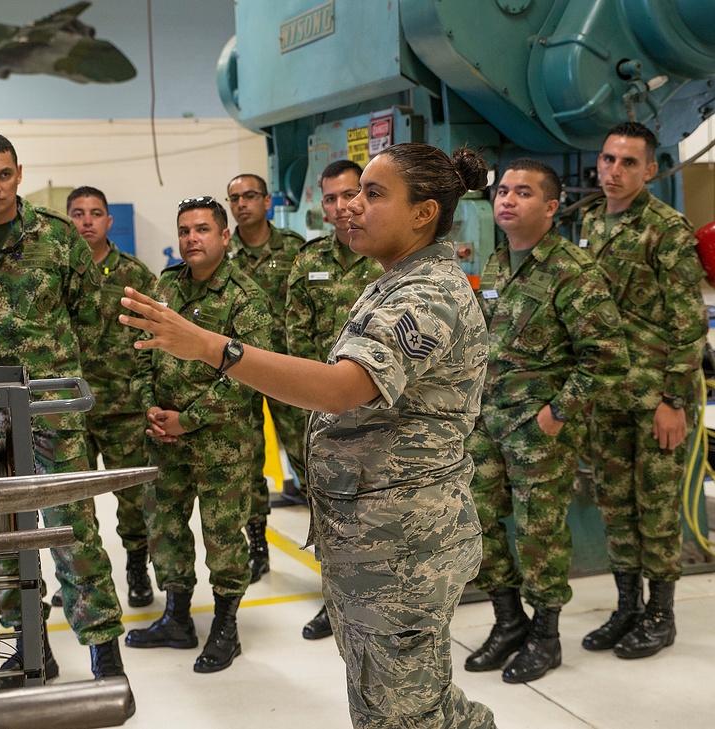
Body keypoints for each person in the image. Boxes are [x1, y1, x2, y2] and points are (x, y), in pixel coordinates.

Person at [121, 145, 496, 728]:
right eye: (350, 194)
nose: (351, 207)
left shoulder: (427, 295)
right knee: (395, 698)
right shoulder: (391, 280)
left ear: (424, 213)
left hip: (403, 544)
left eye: (372, 194)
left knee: (406, 711)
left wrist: (209, 346)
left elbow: (339, 389)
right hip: (372, 534)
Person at [0, 133, 129, 687]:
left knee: (74, 530)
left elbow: (90, 317)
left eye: (4, 175)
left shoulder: (58, 238)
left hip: (51, 410)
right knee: (2, 537)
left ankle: (104, 650)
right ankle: (28, 648)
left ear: (19, 173)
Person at [464, 159, 629, 683]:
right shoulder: (494, 265)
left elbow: (607, 356)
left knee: (539, 535)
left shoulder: (573, 273)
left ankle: (546, 634)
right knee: (479, 522)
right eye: (503, 191)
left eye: (524, 193)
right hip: (488, 423)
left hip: (538, 433)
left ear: (552, 207)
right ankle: (508, 620)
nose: (508, 200)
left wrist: (556, 415)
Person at [124, 196, 272, 674]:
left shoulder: (245, 298)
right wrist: (149, 404)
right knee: (165, 529)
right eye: (185, 230)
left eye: (203, 229)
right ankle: (177, 617)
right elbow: (142, 351)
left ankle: (226, 627)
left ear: (224, 237)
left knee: (223, 534)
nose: (192, 238)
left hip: (220, 441)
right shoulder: (164, 286)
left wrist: (187, 418)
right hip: (164, 437)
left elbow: (250, 376)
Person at [581, 121, 707, 660]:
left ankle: (661, 613)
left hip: (655, 397)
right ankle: (628, 605)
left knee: (654, 510)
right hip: (608, 394)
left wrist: (674, 401)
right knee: (616, 506)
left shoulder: (667, 229)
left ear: (650, 170)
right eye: (609, 159)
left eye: (629, 163)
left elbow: (689, 321)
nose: (614, 171)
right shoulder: (590, 223)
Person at [285, 159, 384, 641]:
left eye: (351, 194)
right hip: (322, 410)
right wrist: (319, 396)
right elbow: (295, 337)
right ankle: (335, 599)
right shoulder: (308, 261)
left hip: (381, 413)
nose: (342, 206)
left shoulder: (389, 261)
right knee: (325, 506)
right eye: (331, 198)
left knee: (375, 507)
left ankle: (383, 596)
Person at [67, 185, 157, 608]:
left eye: (95, 213)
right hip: (69, 408)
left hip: (123, 406)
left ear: (109, 221)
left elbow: (156, 338)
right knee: (73, 504)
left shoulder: (135, 275)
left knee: (134, 498)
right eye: (78, 213)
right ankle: (83, 582)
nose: (86, 221)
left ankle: (137, 566)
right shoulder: (57, 269)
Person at [226, 173, 306, 582]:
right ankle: (258, 546)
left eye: (250, 196)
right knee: (249, 462)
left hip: (288, 372)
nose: (243, 204)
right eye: (235, 198)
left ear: (267, 200)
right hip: (240, 376)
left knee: (307, 456)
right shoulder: (224, 253)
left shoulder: (295, 250)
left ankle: (328, 540)